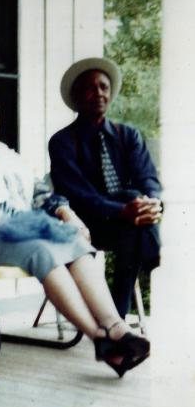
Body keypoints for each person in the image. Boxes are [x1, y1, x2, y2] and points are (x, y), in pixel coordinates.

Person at [0, 89, 150, 377]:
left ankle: (116, 327)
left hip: (23, 228)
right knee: (42, 252)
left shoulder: (7, 155)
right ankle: (98, 338)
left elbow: (39, 192)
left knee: (73, 242)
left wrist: (68, 214)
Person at [49, 57, 162, 318]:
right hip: (85, 223)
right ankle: (154, 260)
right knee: (132, 204)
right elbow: (79, 195)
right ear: (76, 97)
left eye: (103, 87)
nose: (98, 93)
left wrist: (153, 204)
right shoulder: (63, 141)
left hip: (128, 223)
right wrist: (125, 209)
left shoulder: (128, 136)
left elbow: (149, 180)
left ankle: (116, 315)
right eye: (90, 88)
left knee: (134, 215)